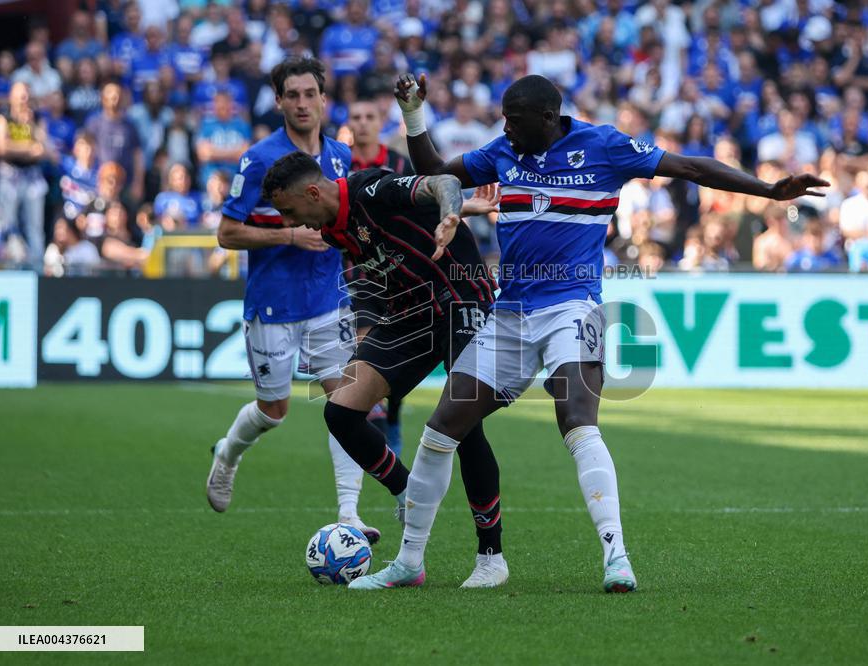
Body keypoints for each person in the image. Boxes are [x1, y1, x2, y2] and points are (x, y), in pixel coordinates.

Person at [349, 73, 827, 593]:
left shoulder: (603, 146)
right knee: (440, 430)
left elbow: (689, 167)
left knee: (577, 421)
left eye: (514, 120)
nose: (505, 129)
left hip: (571, 307)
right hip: (510, 313)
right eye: (504, 120)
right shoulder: (502, 152)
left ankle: (617, 558)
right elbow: (437, 174)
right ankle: (409, 563)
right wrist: (413, 114)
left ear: (548, 118)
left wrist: (767, 190)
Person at [262, 152, 509, 588]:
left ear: (313, 193)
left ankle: (491, 557)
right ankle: (408, 493)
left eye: (289, 211)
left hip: (460, 297)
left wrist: (453, 213)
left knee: (464, 424)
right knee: (340, 411)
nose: (290, 223)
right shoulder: (332, 229)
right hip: (409, 315)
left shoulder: (371, 190)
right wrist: (366, 330)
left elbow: (443, 183)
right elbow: (373, 274)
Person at [206, 57, 377, 543]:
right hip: (273, 304)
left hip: (328, 300)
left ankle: (350, 515)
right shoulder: (259, 159)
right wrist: (288, 235)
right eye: (293, 95)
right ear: (279, 101)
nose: (302, 103)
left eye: (310, 94)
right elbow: (226, 233)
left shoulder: (340, 156)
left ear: (323, 99)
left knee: (347, 404)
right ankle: (228, 453)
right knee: (272, 412)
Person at [346, 96, 415, 455]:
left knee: (397, 359)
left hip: (398, 273)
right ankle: (374, 434)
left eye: (369, 116)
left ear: (379, 122)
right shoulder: (341, 165)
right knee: (367, 353)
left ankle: (392, 416)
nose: (362, 123)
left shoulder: (399, 163)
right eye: (356, 117)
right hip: (359, 274)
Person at [0, 82, 49, 269]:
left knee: (35, 226)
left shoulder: (36, 118)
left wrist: (29, 125)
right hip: (9, 175)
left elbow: (43, 148)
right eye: (20, 95)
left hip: (32, 177)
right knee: (5, 223)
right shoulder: (3, 118)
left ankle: (36, 266)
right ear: (11, 97)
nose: (24, 99)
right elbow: (1, 148)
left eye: (26, 95)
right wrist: (28, 148)